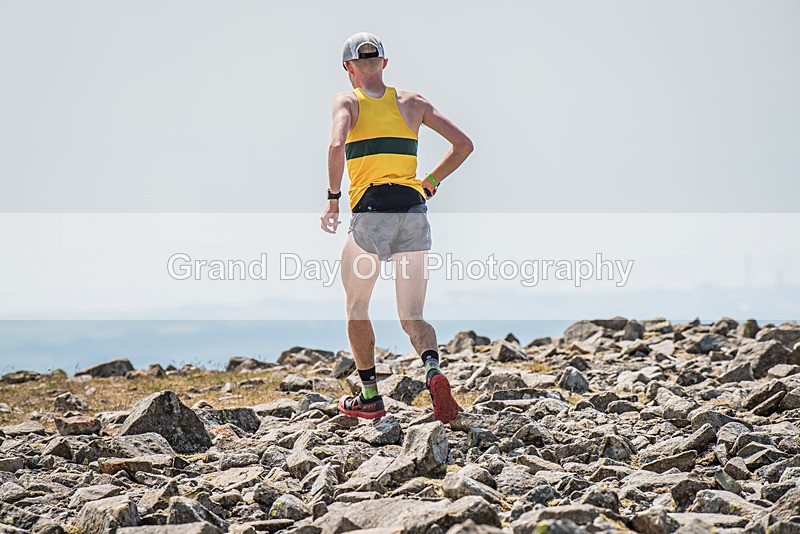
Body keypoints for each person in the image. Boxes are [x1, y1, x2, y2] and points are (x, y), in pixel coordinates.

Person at [320, 32, 473, 423]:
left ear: (348, 68)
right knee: (412, 316)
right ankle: (433, 371)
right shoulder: (413, 103)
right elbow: (463, 144)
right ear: (384, 64)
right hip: (412, 209)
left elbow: (337, 146)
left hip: (372, 210)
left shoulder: (347, 101)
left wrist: (333, 199)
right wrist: (431, 182)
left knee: (356, 306)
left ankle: (370, 397)